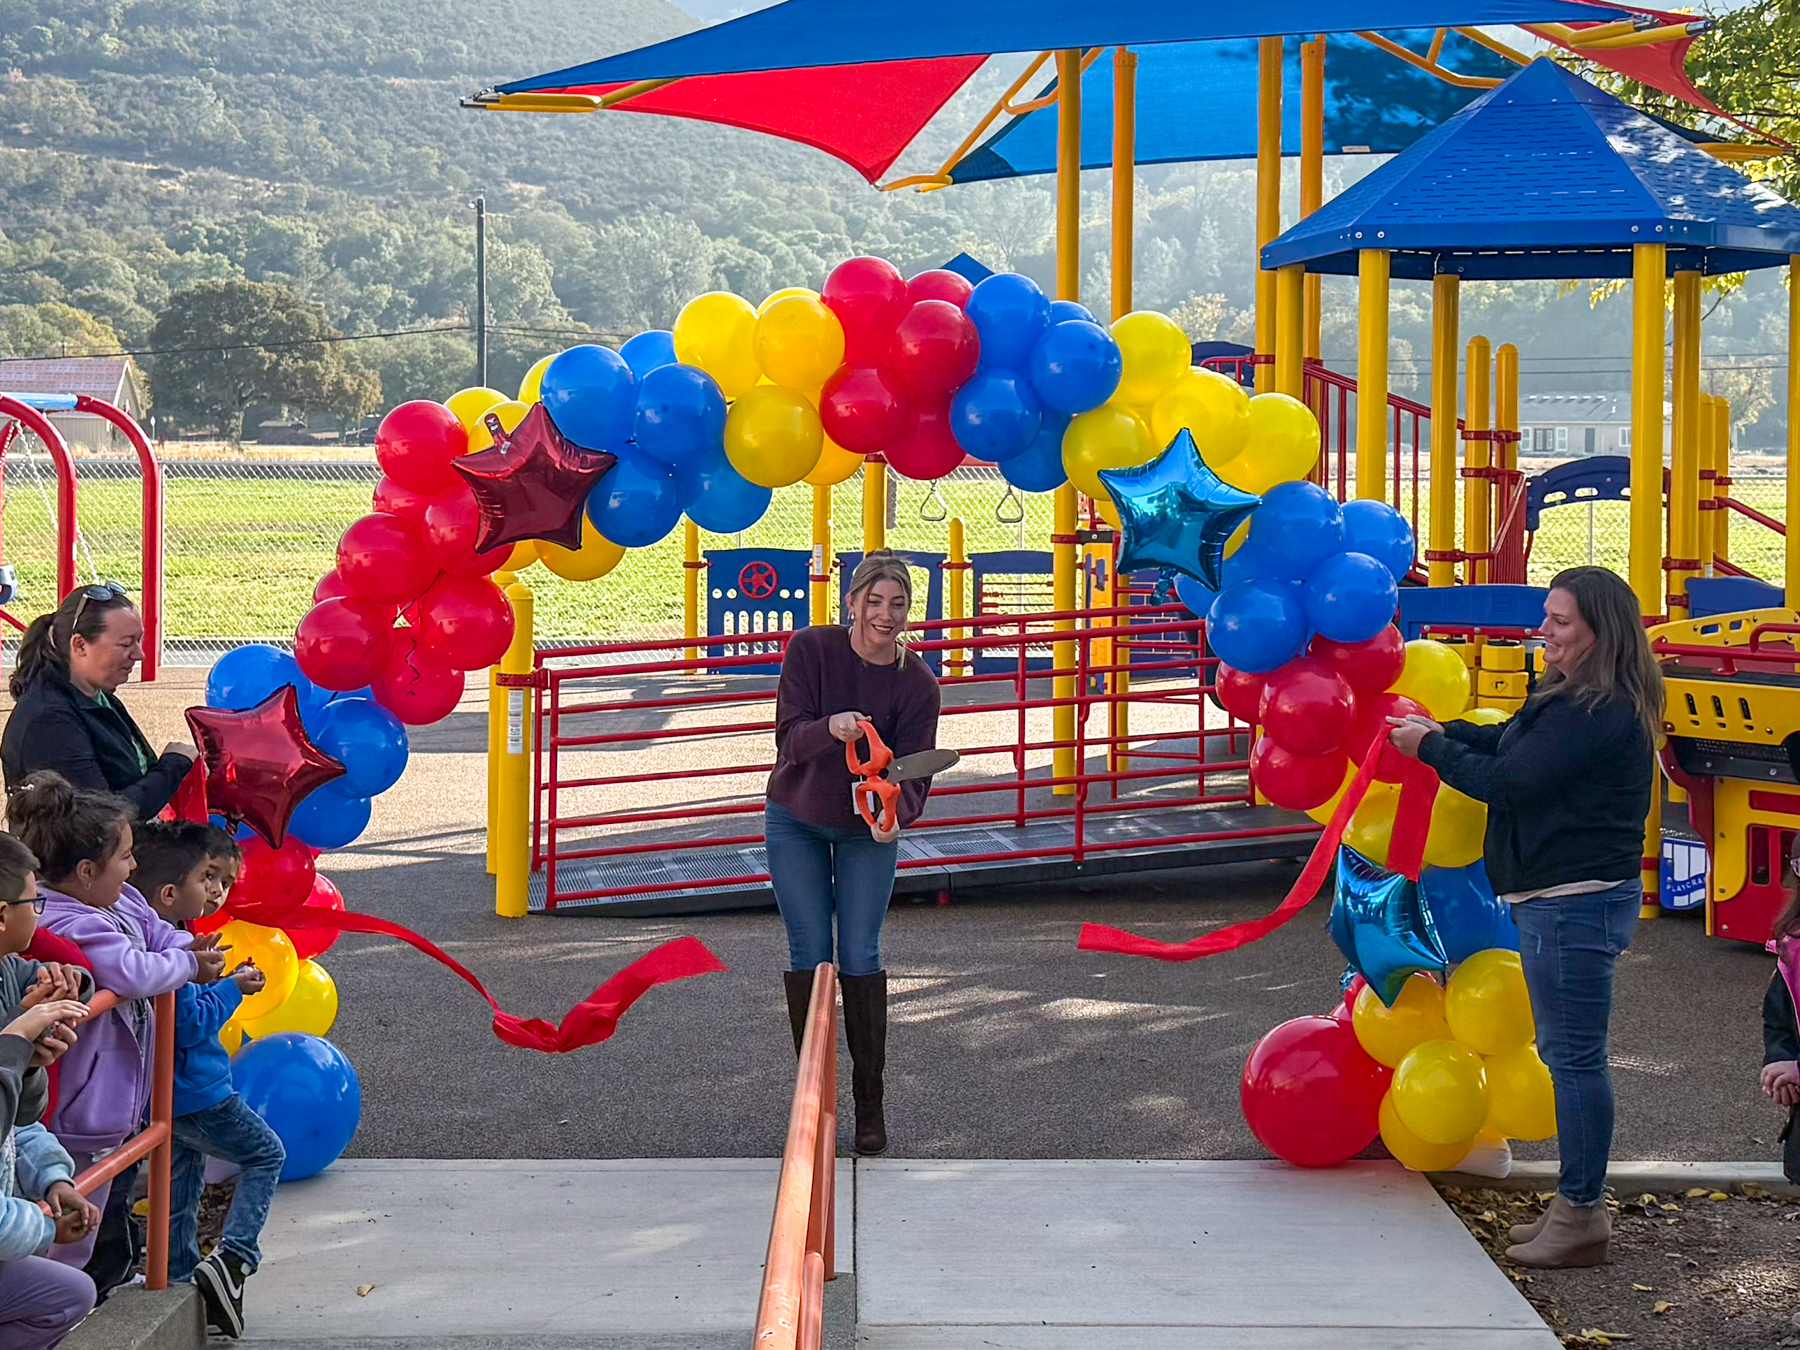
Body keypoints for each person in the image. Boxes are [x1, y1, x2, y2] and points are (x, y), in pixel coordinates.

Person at [1388, 566, 1660, 1269]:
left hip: (1575, 903)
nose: (1545, 630)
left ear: (1601, 632)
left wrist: (1429, 750)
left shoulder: (1598, 710)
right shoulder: (1569, 693)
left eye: (1561, 621)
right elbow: (1509, 742)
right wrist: (1441, 729)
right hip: (1559, 898)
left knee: (1574, 1060)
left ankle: (1581, 1210)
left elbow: (1509, 782)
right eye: (1548, 616)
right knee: (1571, 1056)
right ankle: (1575, 1205)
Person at [6, 773, 226, 1278]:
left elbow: (160, 934)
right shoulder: (69, 919)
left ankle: (76, 1294)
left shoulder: (120, 899)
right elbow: (130, 971)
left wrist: (182, 951)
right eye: (125, 857)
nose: (134, 867)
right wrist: (188, 965)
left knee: (92, 1219)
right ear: (87, 871)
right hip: (81, 1109)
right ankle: (58, 1301)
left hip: (115, 1101)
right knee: (65, 1227)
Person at [766, 551, 941, 1156]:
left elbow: (914, 772)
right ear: (852, 602)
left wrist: (896, 818)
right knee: (812, 955)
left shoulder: (918, 684)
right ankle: (812, 1106)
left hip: (867, 833)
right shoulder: (811, 650)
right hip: (797, 820)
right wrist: (832, 727)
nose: (884, 615)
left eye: (897, 604)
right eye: (874, 601)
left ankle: (870, 1104)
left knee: (861, 952)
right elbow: (789, 740)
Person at [133, 821, 281, 1340]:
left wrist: (212, 976)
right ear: (169, 892)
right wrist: (233, 988)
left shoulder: (158, 941)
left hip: (168, 1093)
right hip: (198, 1092)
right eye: (208, 877)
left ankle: (177, 1278)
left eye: (224, 881)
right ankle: (233, 1261)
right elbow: (190, 1024)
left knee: (180, 1187)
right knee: (266, 1154)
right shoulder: (172, 948)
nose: (217, 890)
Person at [0, 829, 100, 1350]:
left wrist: (53, 1180)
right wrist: (43, 1228)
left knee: (67, 1292)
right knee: (65, 1294)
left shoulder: (7, 973)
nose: (39, 912)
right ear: (2, 915)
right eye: (32, 902)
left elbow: (19, 1119)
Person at [2, 584, 197, 818]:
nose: (139, 654)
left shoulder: (97, 697)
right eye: (126, 644)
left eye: (138, 641)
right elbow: (99, 817)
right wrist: (173, 766)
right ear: (80, 645)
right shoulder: (49, 721)